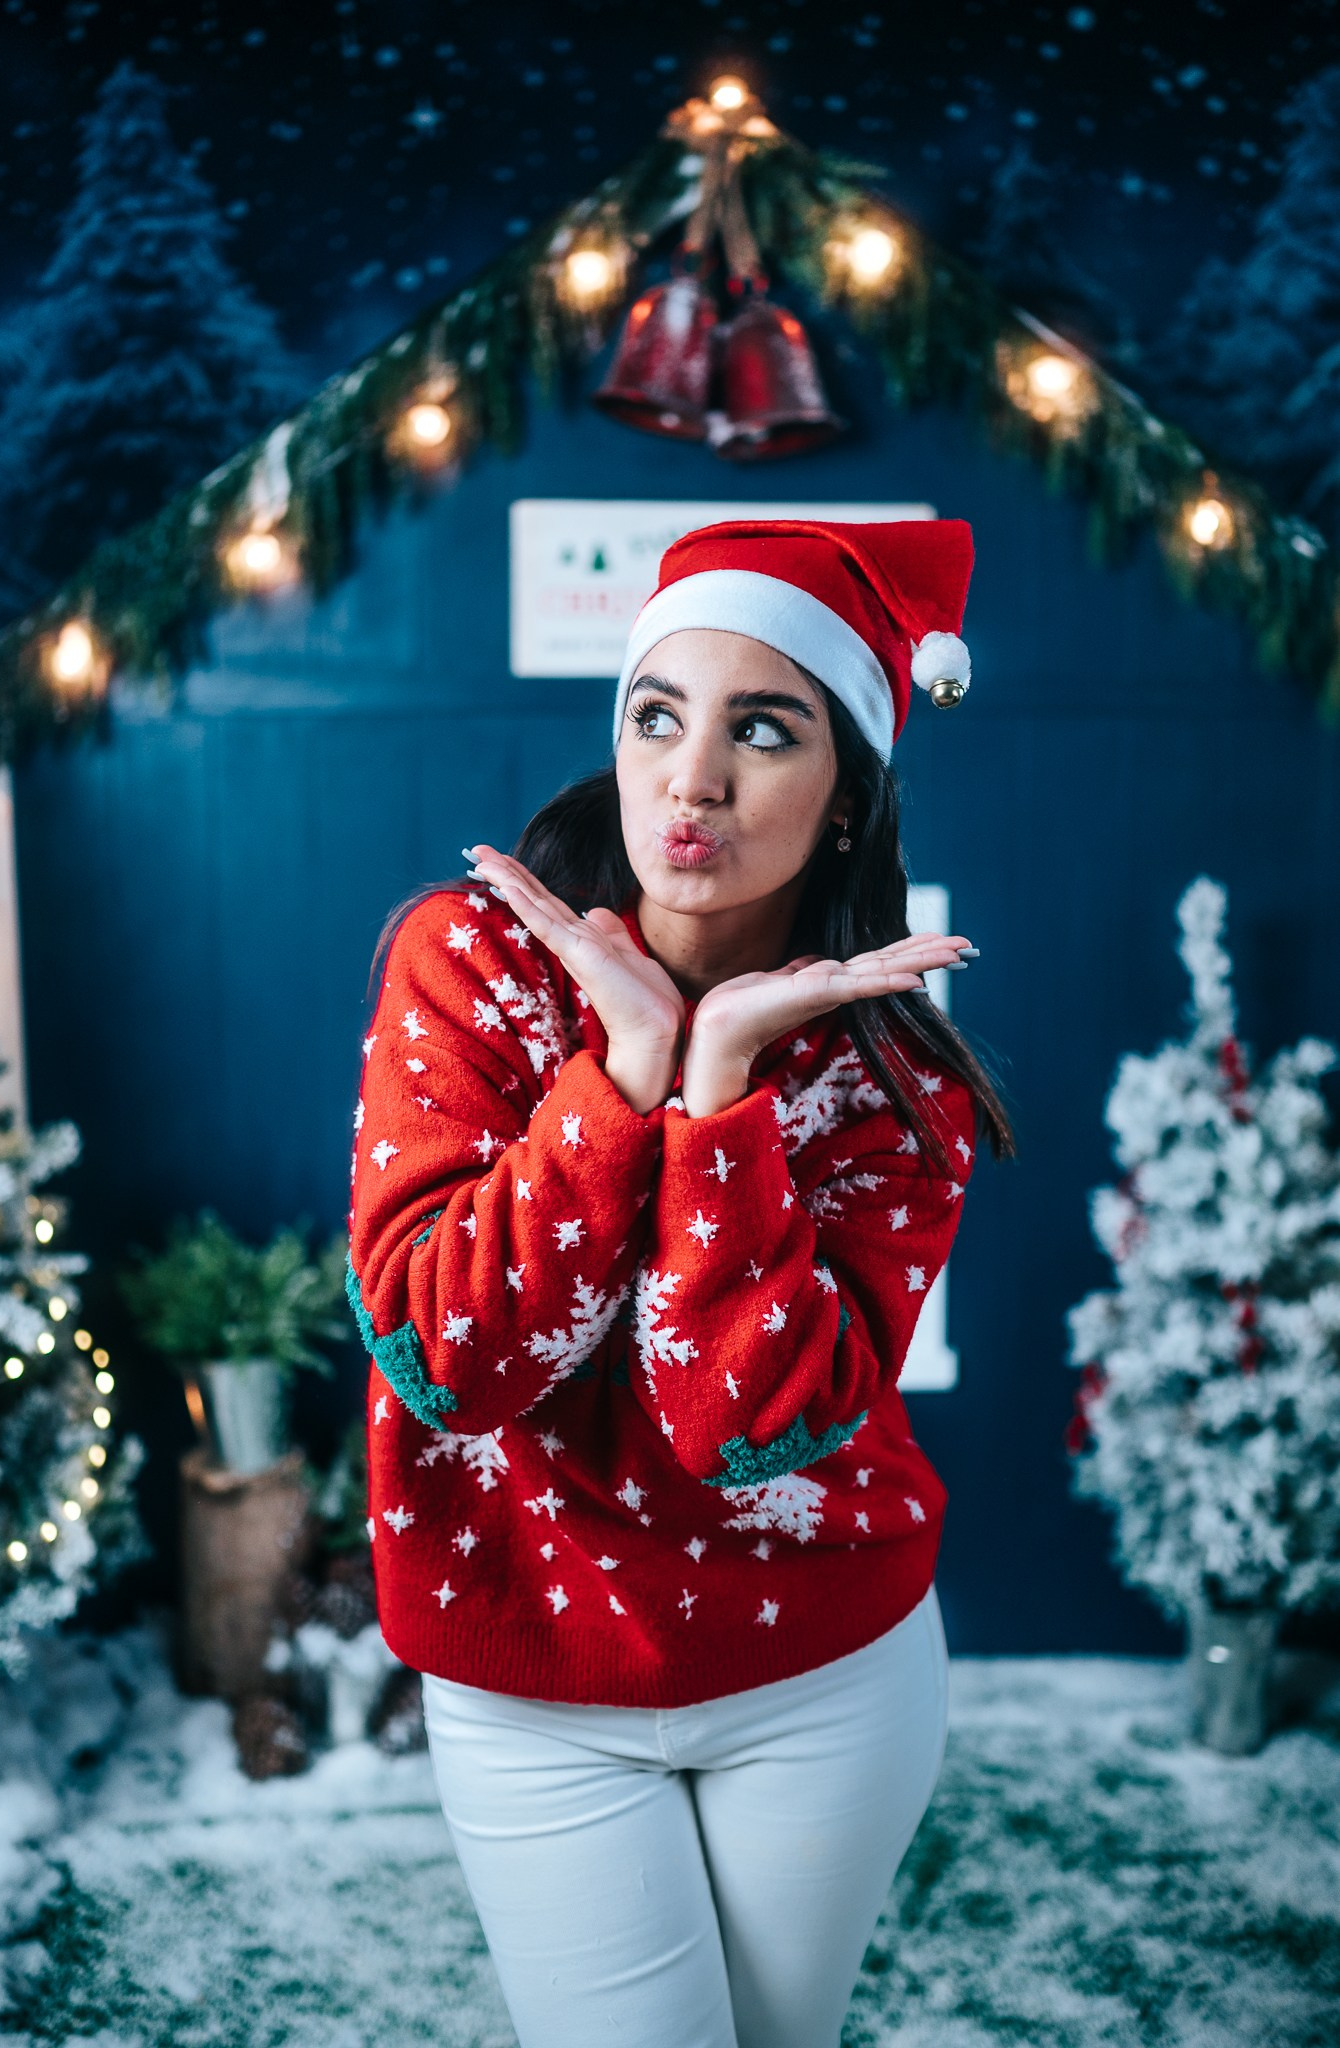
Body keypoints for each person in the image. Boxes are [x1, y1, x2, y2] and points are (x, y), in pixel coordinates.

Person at [346, 517, 1016, 2048]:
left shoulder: (898, 1078)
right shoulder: (474, 967)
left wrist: (715, 1107)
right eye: (660, 715)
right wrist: (617, 1074)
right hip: (536, 1678)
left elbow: (742, 1426)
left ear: (846, 803)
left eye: (762, 730)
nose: (691, 778)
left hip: (825, 1672)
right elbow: (453, 1361)